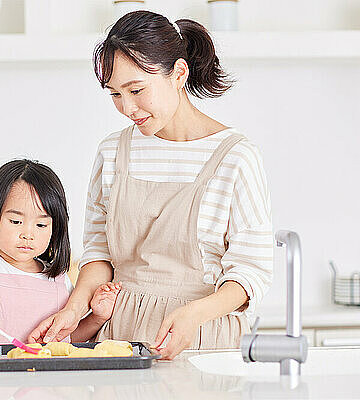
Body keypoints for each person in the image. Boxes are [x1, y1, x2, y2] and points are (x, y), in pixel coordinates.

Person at [28, 11, 273, 360]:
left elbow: (251, 274)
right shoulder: (112, 152)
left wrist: (194, 314)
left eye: (137, 89)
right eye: (114, 94)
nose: (127, 107)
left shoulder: (236, 157)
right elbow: (100, 254)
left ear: (178, 73)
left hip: (205, 336)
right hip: (120, 335)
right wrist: (74, 308)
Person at [0, 159, 120, 355]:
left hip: (46, 383)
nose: (28, 234)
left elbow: (65, 338)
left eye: (41, 225)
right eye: (16, 221)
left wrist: (97, 319)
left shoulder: (58, 279)